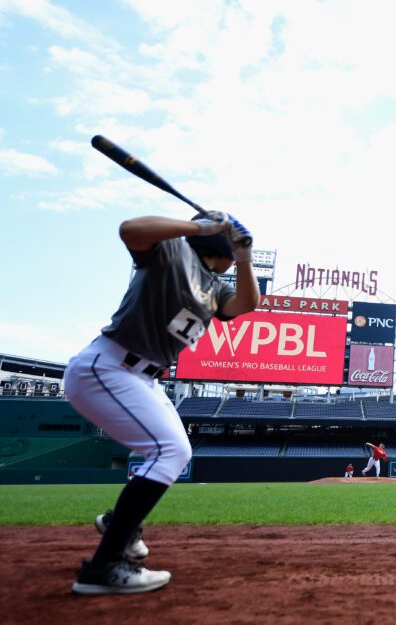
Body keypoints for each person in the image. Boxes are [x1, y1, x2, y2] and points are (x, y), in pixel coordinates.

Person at [65, 212, 258, 594]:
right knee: (168, 449)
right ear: (217, 241)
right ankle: (103, 567)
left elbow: (245, 305)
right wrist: (202, 228)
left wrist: (246, 258)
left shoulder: (214, 286)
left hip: (143, 377)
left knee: (177, 450)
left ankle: (120, 522)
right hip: (111, 364)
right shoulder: (172, 250)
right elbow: (129, 230)